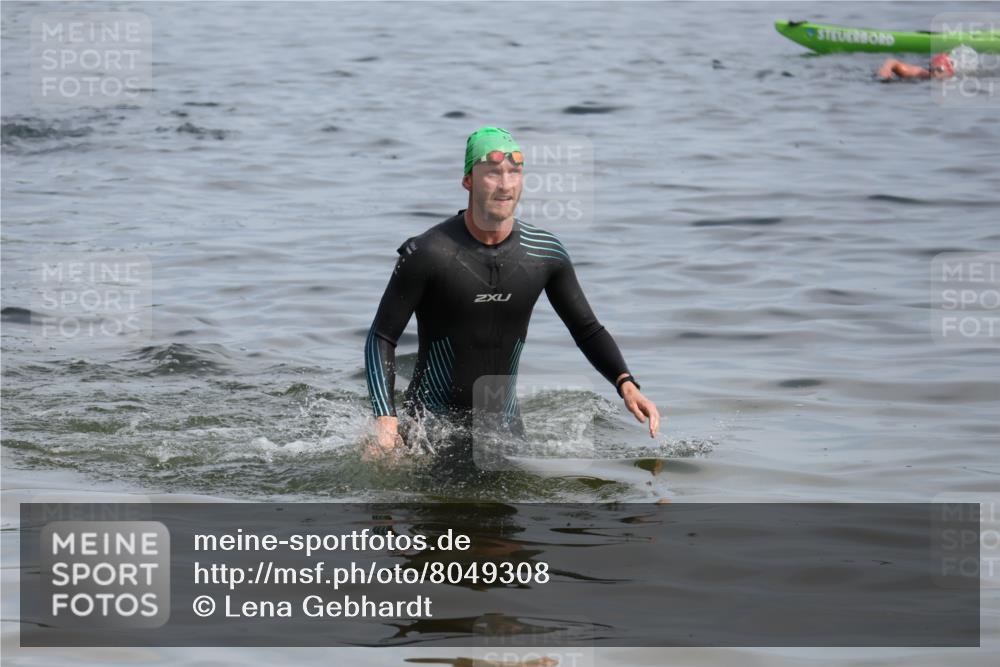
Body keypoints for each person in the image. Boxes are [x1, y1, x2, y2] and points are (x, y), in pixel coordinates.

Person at [363, 127, 660, 462]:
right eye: (492, 173)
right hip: (430, 433)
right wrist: (386, 419)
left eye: (514, 172)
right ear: (468, 181)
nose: (505, 184)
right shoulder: (429, 253)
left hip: (505, 433)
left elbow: (587, 329)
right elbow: (381, 337)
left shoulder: (545, 253)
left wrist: (626, 383)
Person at [877, 44, 979, 81]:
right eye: (932, 69)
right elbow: (893, 62)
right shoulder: (922, 73)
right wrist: (886, 68)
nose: (934, 72)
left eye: (939, 70)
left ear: (949, 71)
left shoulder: (953, 80)